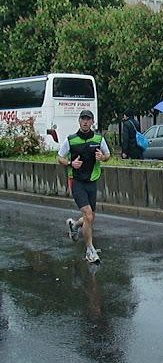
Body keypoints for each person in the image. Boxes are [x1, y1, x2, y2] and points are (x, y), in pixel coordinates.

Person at [57, 110, 111, 263]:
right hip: (76, 181)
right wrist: (70, 163)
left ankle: (74, 225)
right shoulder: (71, 140)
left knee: (90, 217)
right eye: (83, 119)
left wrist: (103, 157)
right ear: (79, 121)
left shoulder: (98, 139)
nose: (85, 122)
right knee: (88, 214)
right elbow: (59, 157)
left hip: (91, 181)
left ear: (92, 122)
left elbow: (108, 155)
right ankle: (89, 250)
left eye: (88, 119)